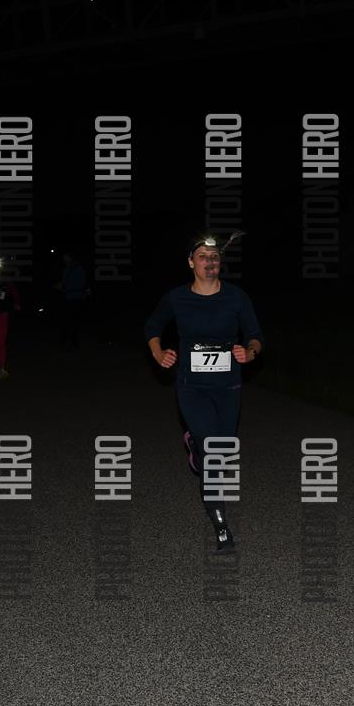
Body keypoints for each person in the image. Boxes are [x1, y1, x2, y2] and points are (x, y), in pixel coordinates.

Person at [144, 231, 264, 553]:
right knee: (213, 455)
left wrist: (250, 352)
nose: (210, 261)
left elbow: (255, 335)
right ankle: (221, 527)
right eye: (202, 256)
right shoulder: (176, 298)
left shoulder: (237, 297)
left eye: (214, 256)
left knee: (220, 451)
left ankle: (196, 448)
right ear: (190, 263)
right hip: (192, 387)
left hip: (228, 387)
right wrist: (158, 352)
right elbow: (152, 327)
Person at [56, 252, 87, 349]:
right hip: (68, 297)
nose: (64, 260)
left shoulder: (77, 268)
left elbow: (79, 283)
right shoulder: (66, 269)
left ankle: (73, 343)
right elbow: (65, 281)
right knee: (66, 320)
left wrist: (64, 287)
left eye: (66, 257)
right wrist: (61, 286)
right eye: (63, 258)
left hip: (76, 298)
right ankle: (66, 342)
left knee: (72, 321)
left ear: (71, 258)